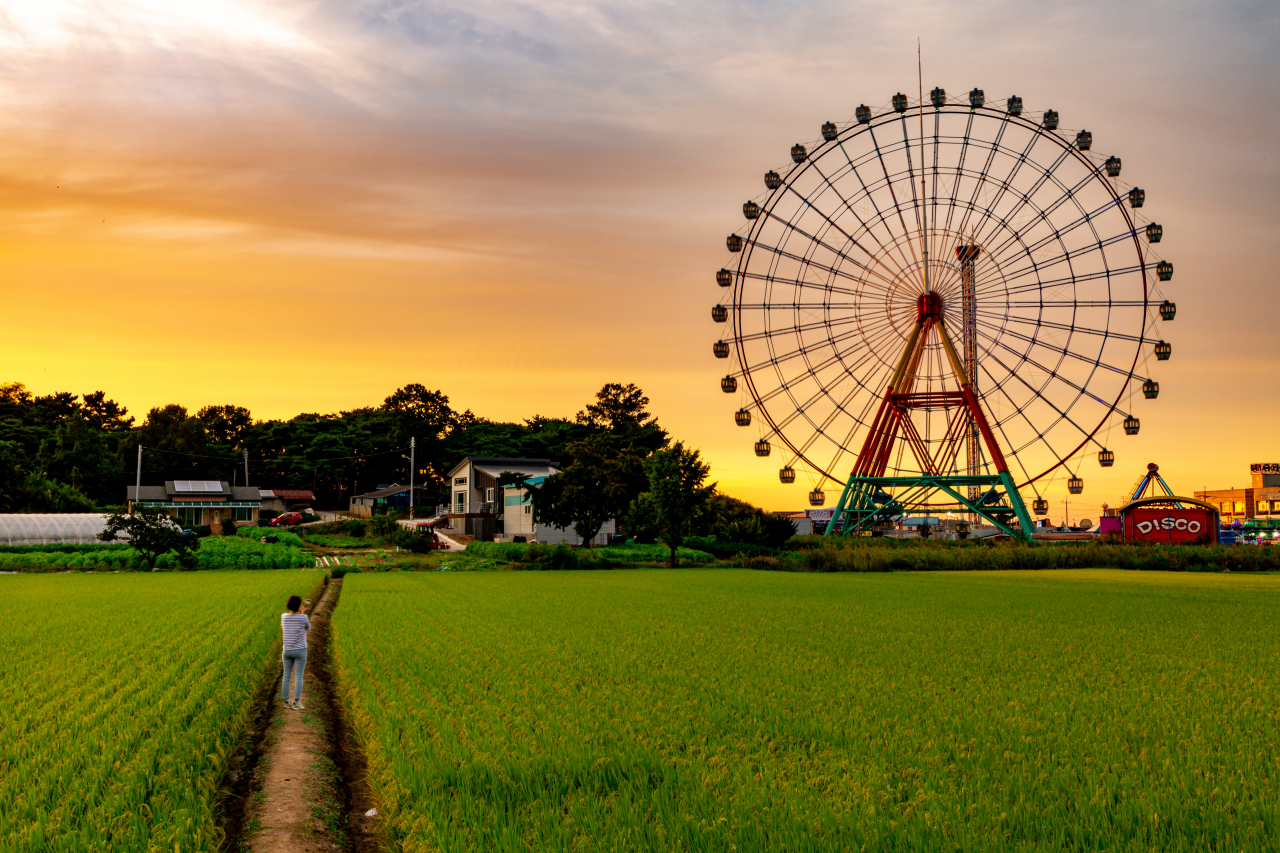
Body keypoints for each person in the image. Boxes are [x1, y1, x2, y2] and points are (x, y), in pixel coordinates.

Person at [281, 595, 311, 710]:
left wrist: (299, 613)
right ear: (299, 606)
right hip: (300, 651)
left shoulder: (283, 616)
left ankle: (287, 701)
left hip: (287, 650)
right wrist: (302, 613)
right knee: (298, 676)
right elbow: (308, 627)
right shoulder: (304, 618)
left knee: (286, 676)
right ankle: (296, 702)